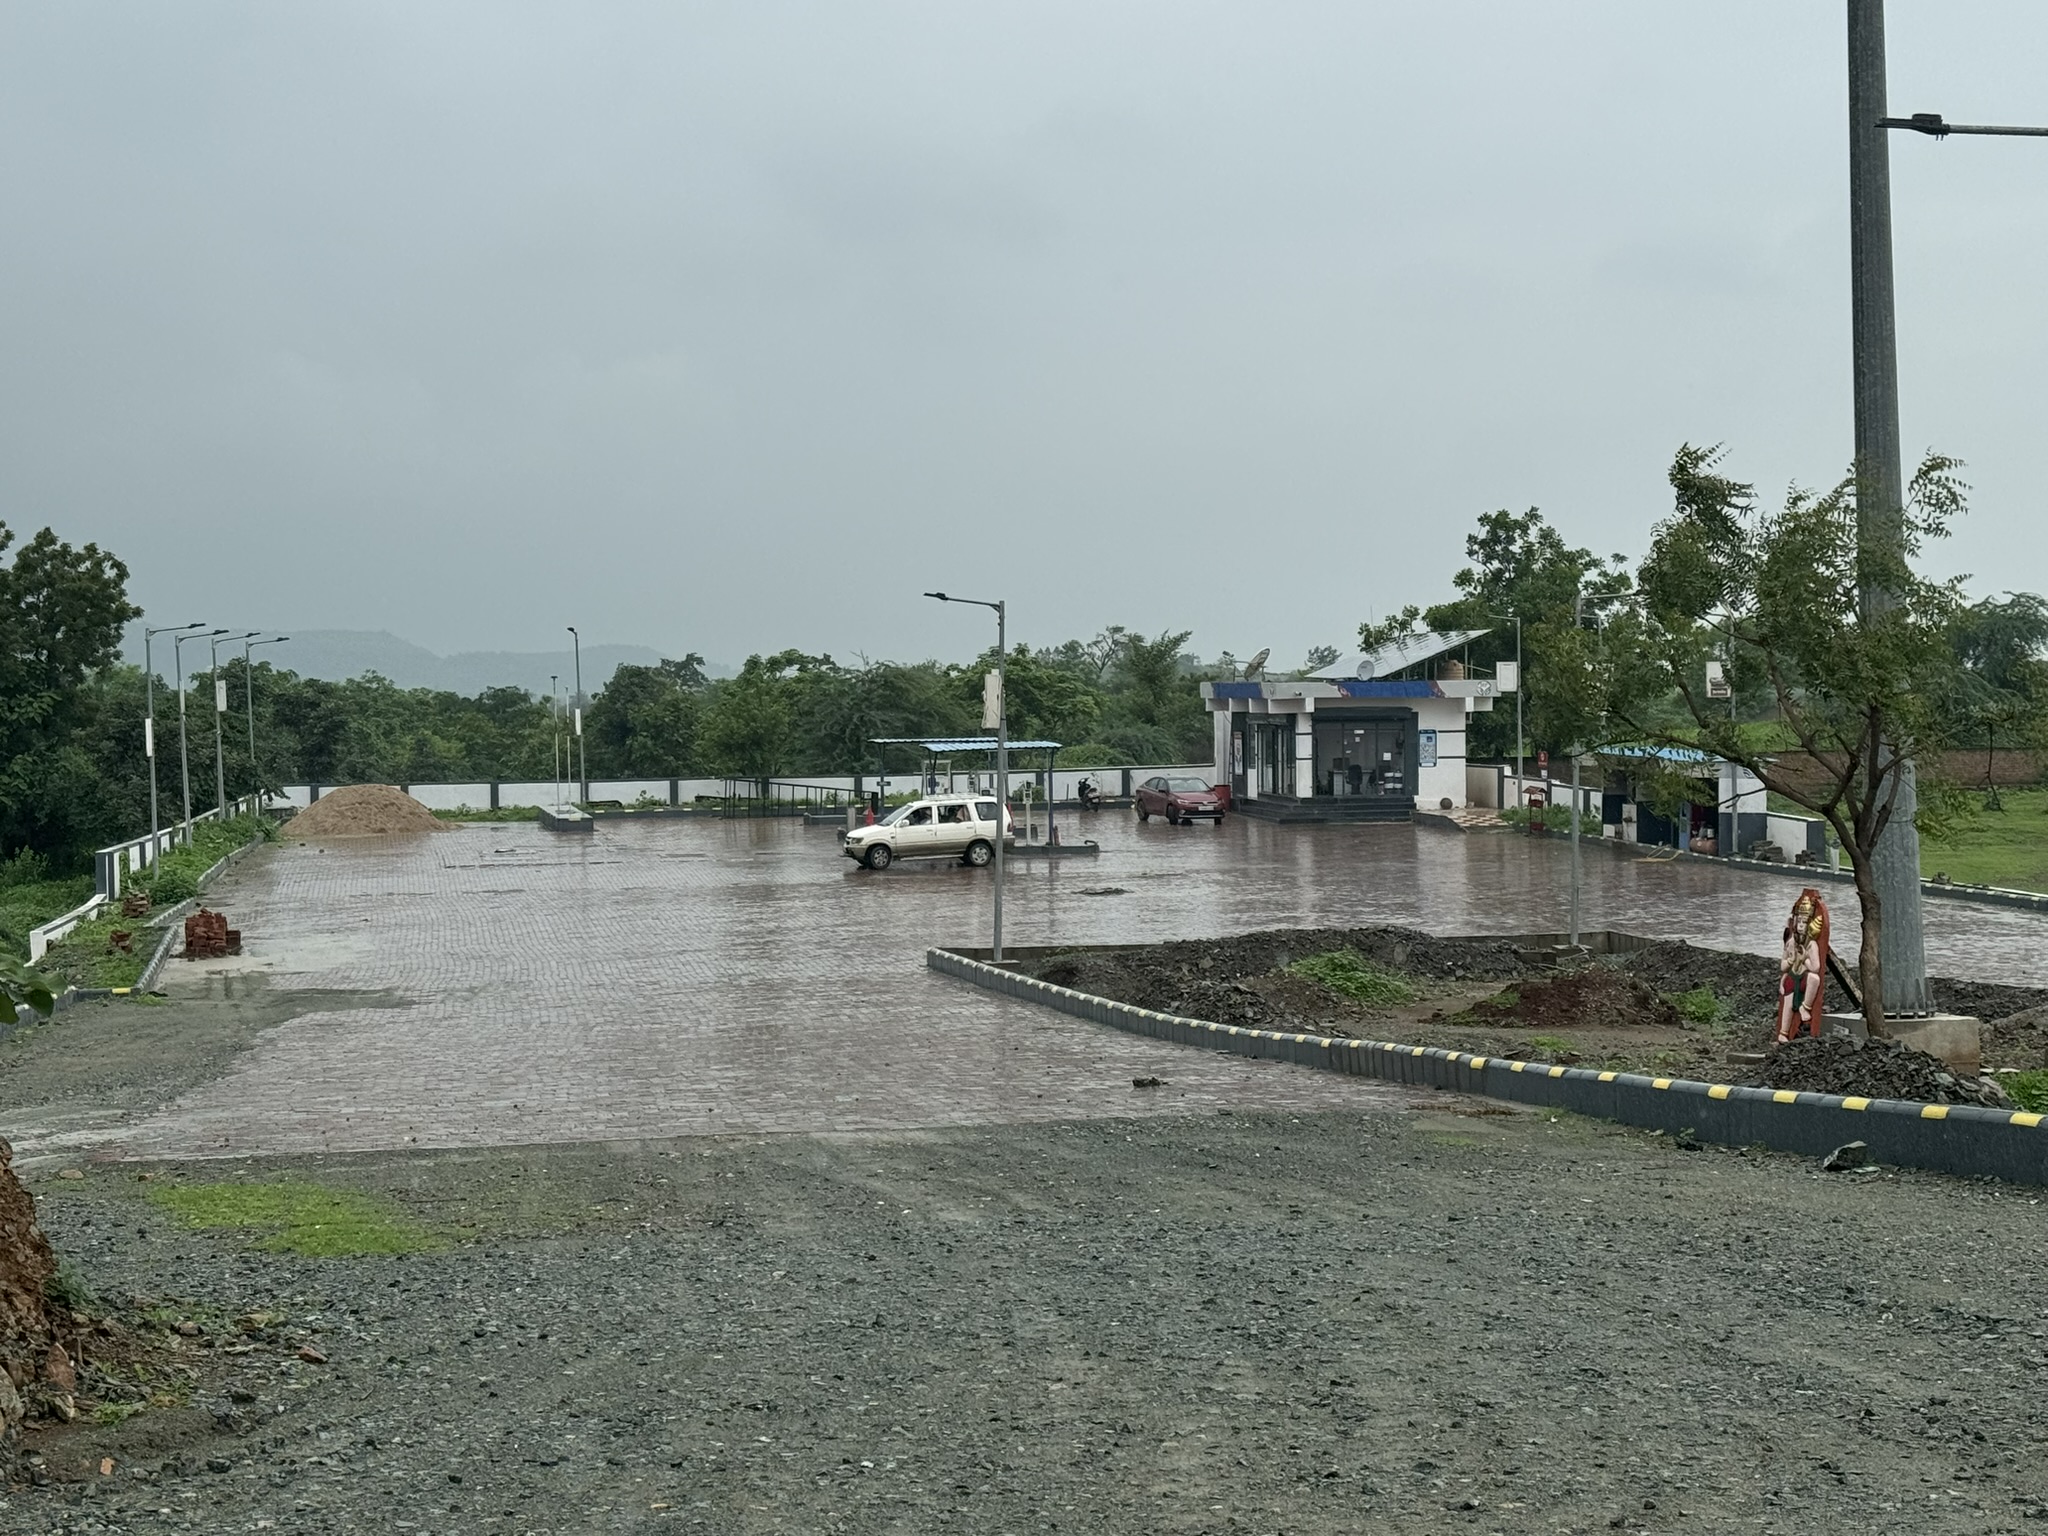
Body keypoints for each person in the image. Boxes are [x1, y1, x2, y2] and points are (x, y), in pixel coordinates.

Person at [1775, 888, 1829, 1043]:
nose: (1800, 925)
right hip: (1792, 976)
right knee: (1788, 1000)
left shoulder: (1811, 945)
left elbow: (1816, 967)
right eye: (1799, 921)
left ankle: (1805, 1006)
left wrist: (1805, 958)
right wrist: (1790, 962)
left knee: (1814, 978)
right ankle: (1783, 1032)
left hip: (1804, 977)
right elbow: (1783, 965)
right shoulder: (1791, 942)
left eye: (1804, 922)